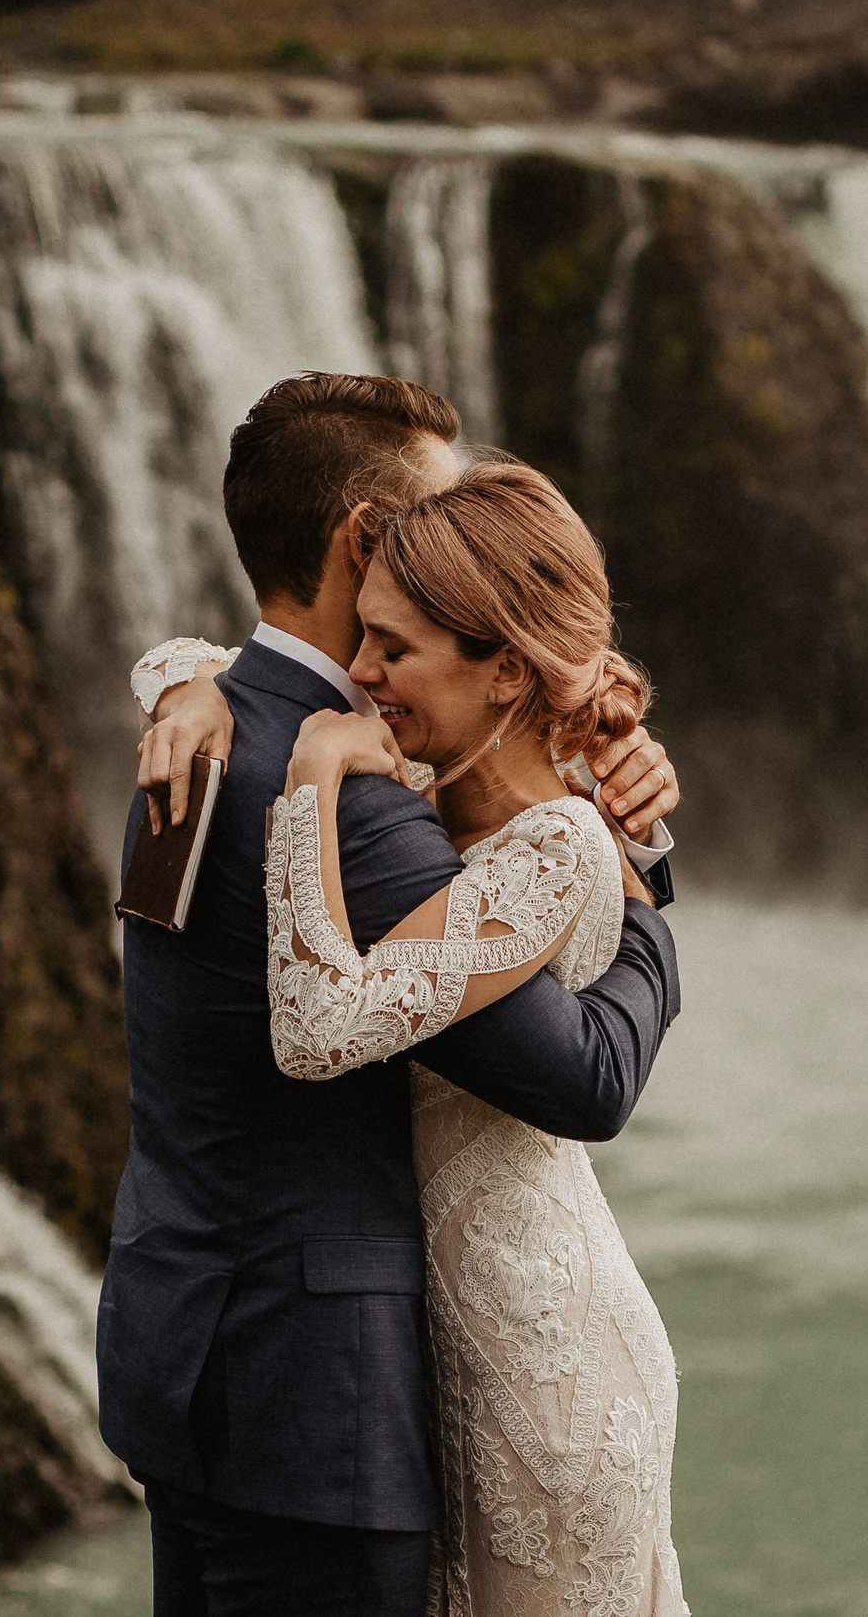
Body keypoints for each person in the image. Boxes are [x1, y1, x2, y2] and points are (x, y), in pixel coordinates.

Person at [101, 374, 682, 1617]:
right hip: (310, 1406)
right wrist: (641, 907)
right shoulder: (353, 799)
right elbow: (584, 1077)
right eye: (434, 507)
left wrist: (178, 672)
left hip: (176, 1348)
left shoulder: (200, 734)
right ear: (369, 540)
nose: (455, 525)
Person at [264, 461, 687, 1616]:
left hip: (546, 1364)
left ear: (505, 668)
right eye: (363, 637)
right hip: (465, 1348)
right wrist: (185, 683)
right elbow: (241, 665)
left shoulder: (551, 847)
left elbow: (313, 1029)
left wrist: (308, 783)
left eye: (390, 651)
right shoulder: (450, 786)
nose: (355, 674)